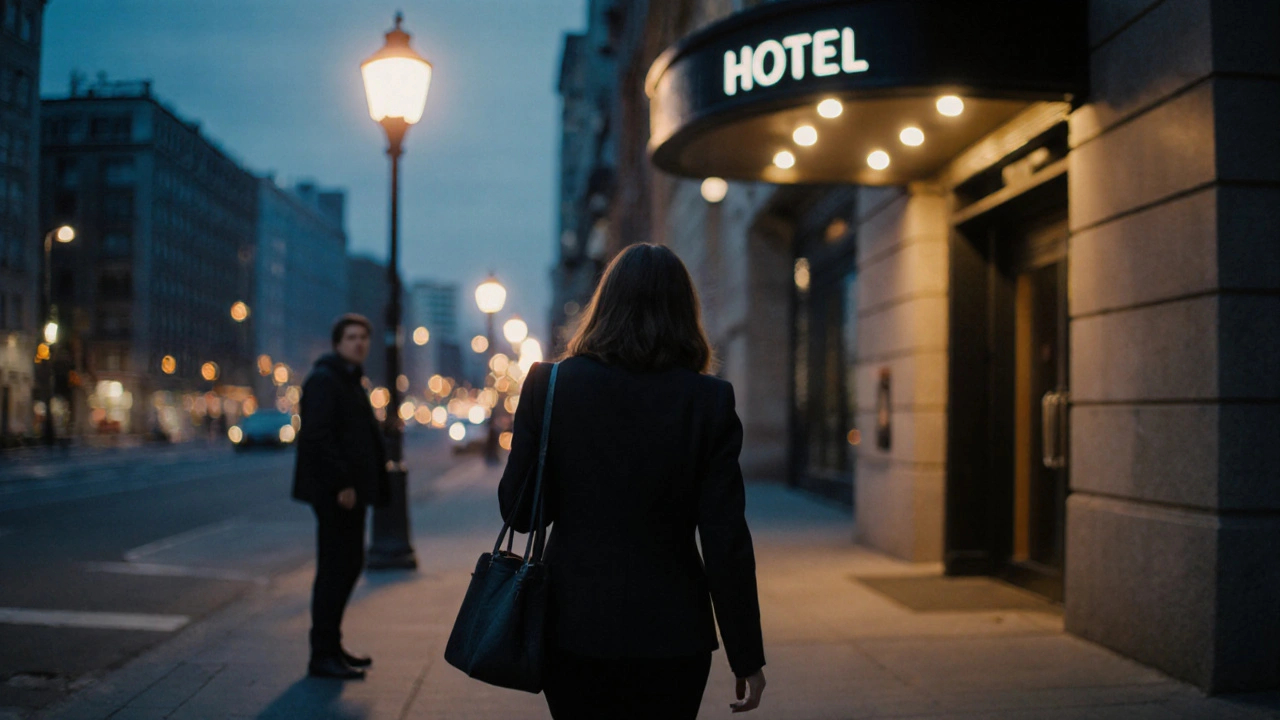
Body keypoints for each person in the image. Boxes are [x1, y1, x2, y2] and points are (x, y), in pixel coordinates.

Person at [498, 243, 767, 718]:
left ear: (603, 306)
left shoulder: (549, 386)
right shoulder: (708, 400)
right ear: (684, 313)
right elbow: (725, 540)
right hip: (673, 632)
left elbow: (520, 514)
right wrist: (745, 654)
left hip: (572, 626)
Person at [292, 313, 389, 680]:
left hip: (351, 492)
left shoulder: (349, 379)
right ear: (337, 343)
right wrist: (342, 483)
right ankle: (322, 653)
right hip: (337, 494)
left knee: (347, 566)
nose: (359, 343)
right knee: (336, 569)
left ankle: (332, 646)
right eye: (351, 337)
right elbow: (316, 436)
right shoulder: (325, 379)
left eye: (363, 337)